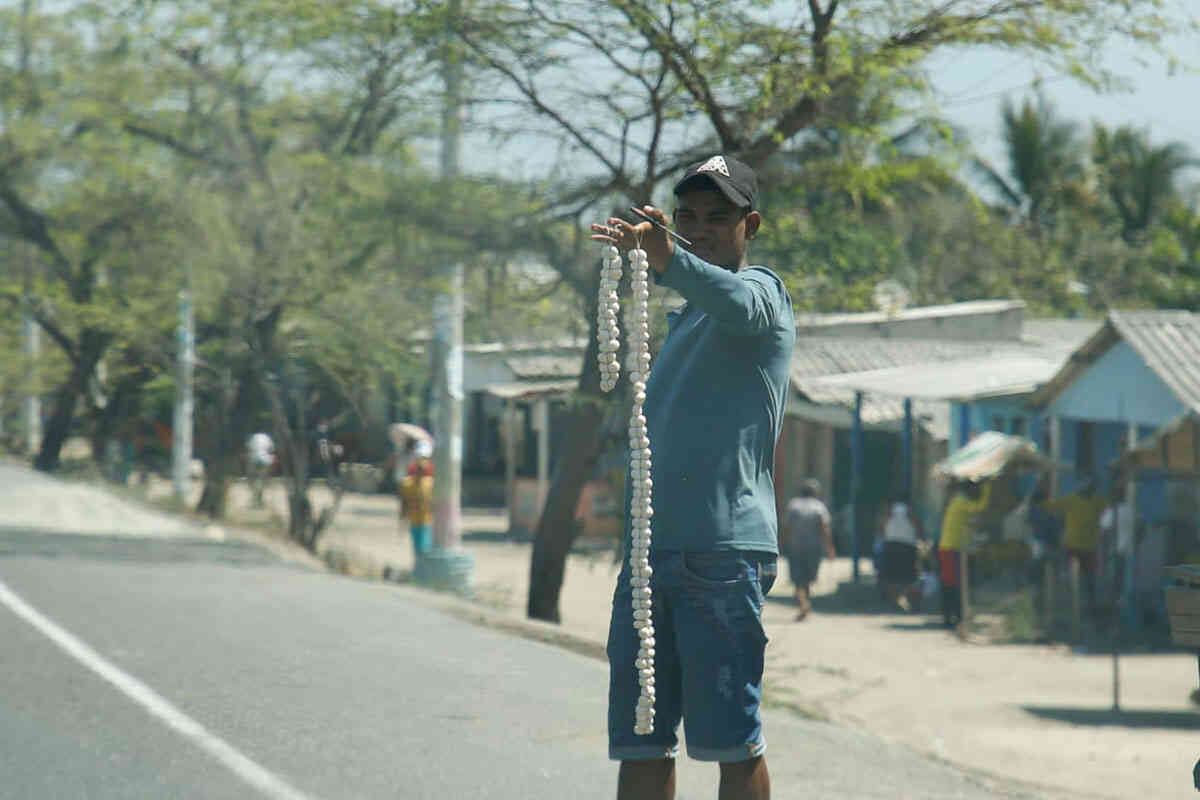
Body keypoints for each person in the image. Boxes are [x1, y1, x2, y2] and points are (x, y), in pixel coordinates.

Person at [591, 154, 794, 800]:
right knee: (641, 742)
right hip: (652, 559)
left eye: (717, 218)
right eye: (688, 218)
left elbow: (734, 298)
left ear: (749, 225)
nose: (700, 229)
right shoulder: (686, 319)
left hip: (723, 556)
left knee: (732, 745)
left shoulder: (763, 295)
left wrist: (668, 260)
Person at [1044, 479, 1106, 616]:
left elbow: (1051, 507)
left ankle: (1088, 607)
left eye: (1091, 488)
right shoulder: (1073, 500)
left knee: (1089, 579)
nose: (1088, 490)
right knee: (1076, 577)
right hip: (1075, 546)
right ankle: (1072, 604)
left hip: (1087, 547)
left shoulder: (1098, 501)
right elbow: (1051, 507)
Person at [937, 480, 992, 629]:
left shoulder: (959, 500)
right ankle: (950, 617)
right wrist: (988, 487)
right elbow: (979, 507)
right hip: (950, 547)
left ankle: (957, 616)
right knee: (951, 584)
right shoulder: (961, 501)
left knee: (956, 583)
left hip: (953, 547)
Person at [781, 480, 835, 621]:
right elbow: (825, 529)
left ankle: (803, 603)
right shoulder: (819, 507)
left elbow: (787, 527)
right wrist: (829, 548)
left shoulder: (793, 505)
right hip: (814, 548)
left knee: (798, 578)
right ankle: (804, 604)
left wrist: (782, 543)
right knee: (808, 578)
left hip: (796, 547)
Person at [879, 500, 923, 611]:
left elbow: (882, 526)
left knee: (892, 576)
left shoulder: (889, 510)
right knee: (908, 576)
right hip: (907, 545)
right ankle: (903, 599)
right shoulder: (909, 510)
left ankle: (897, 600)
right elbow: (917, 525)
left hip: (892, 544)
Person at [399, 439, 435, 559]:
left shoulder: (431, 483)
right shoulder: (407, 483)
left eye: (424, 458)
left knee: (425, 550)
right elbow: (404, 503)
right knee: (418, 550)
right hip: (414, 521)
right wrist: (402, 520)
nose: (422, 463)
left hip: (427, 523)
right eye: (419, 458)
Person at [245, 431, 275, 508]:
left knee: (252, 478)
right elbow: (271, 449)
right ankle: (260, 495)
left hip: (254, 459)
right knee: (263, 478)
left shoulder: (252, 437)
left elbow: (248, 448)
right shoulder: (267, 437)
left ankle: (255, 495)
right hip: (265, 459)